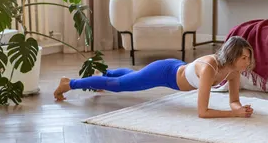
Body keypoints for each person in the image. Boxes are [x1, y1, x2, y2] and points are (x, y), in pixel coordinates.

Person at [54, 36, 255, 119]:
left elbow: (234, 100)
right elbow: (202, 112)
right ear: (232, 56)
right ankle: (69, 83)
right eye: (243, 57)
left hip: (176, 69)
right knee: (119, 86)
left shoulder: (233, 71)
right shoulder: (210, 67)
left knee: (133, 78)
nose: (247, 62)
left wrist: (240, 108)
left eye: (248, 57)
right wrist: (233, 115)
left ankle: (107, 73)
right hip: (164, 73)